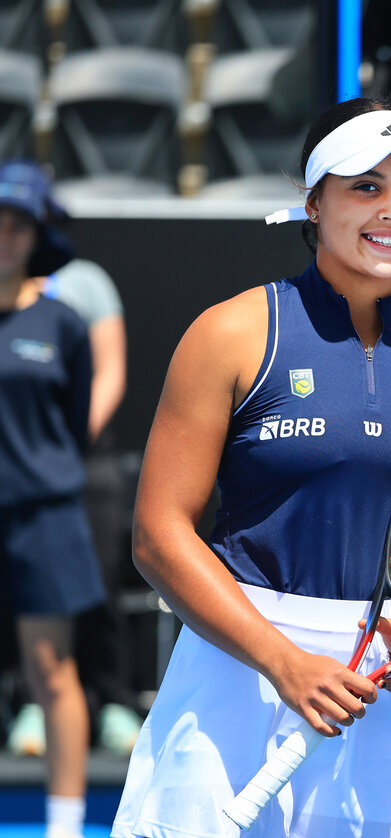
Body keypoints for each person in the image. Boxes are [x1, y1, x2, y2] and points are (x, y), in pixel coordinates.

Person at [110, 94, 391, 837]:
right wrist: (282, 661)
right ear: (314, 202)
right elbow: (158, 534)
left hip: (385, 679)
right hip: (237, 667)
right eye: (366, 187)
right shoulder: (229, 333)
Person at [6, 196, 143, 760]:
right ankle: (29, 703)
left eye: (20, 221)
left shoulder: (83, 283)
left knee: (100, 576)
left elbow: (108, 370)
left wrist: (62, 445)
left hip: (77, 458)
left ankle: (111, 698)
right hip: (23, 460)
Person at [0, 159, 104, 838]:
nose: (3, 236)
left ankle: (63, 828)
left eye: (16, 225)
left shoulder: (63, 322)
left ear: (36, 234)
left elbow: (74, 423)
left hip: (43, 517)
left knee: (50, 669)